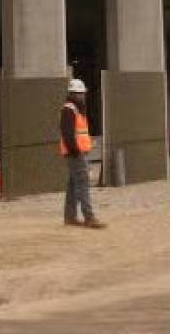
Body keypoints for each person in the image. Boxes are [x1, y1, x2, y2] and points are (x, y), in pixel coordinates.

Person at [59, 77, 105, 229]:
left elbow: (78, 133)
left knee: (73, 184)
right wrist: (76, 151)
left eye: (82, 93)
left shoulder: (75, 110)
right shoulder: (69, 110)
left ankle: (70, 217)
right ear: (72, 94)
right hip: (75, 153)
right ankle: (89, 217)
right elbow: (68, 135)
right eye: (78, 94)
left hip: (78, 152)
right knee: (83, 184)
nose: (81, 96)